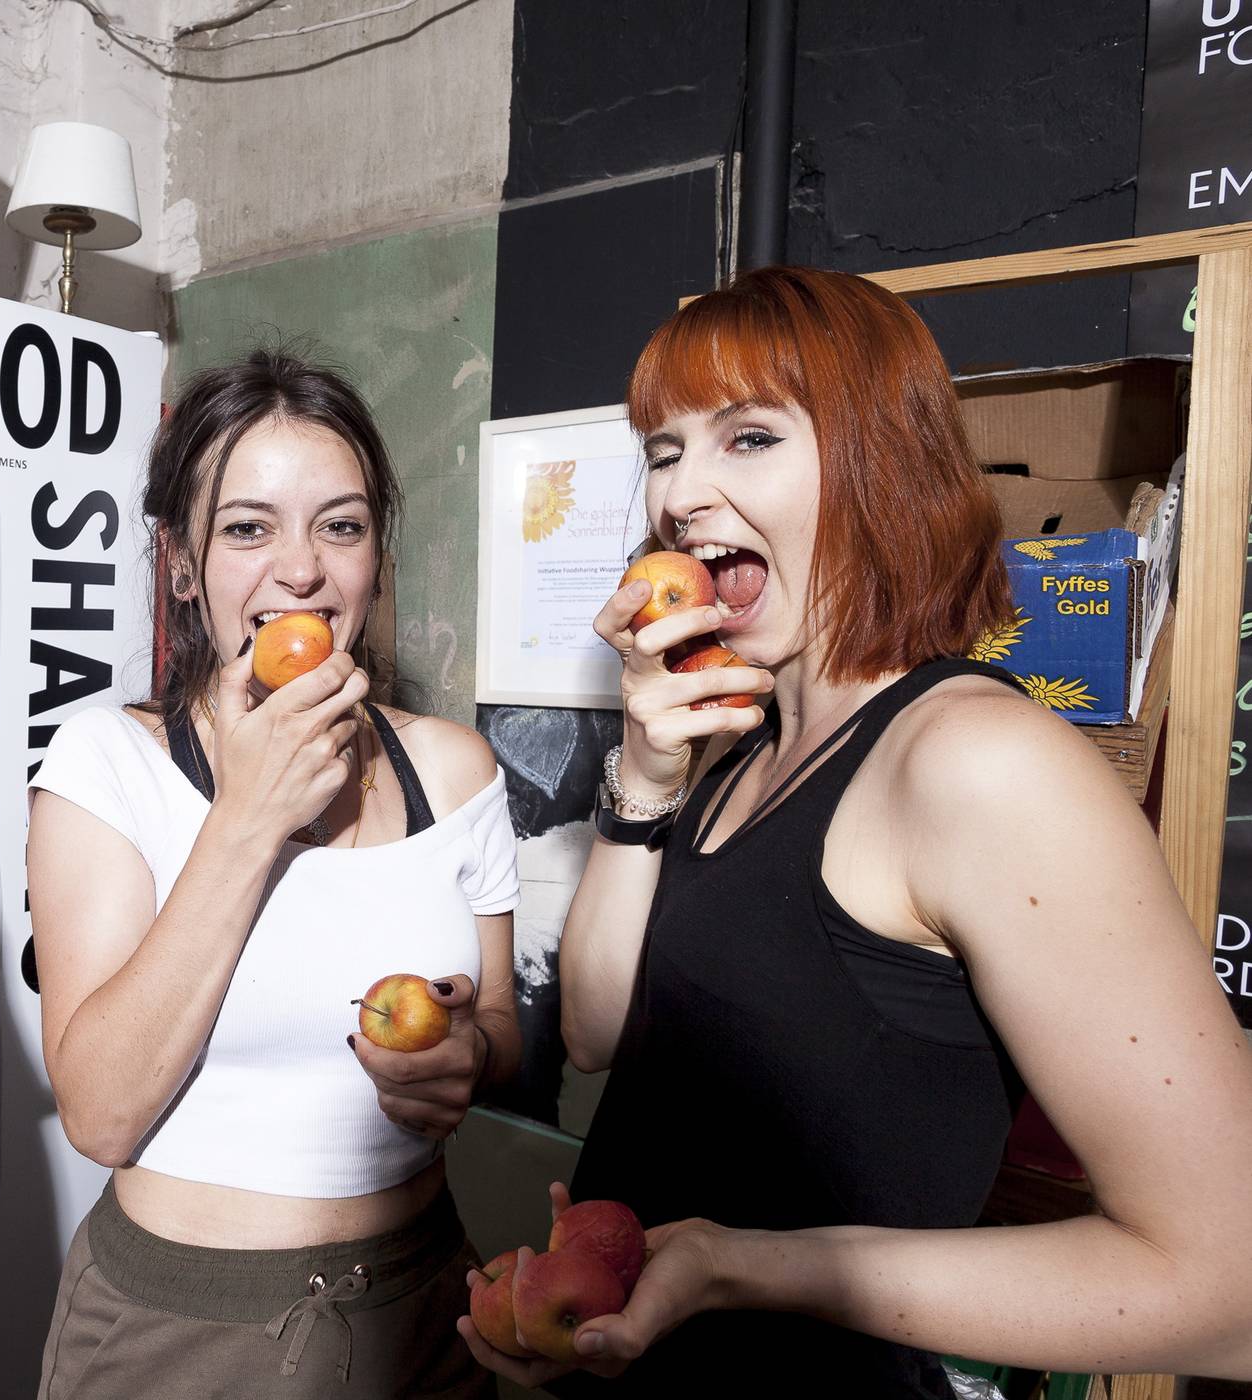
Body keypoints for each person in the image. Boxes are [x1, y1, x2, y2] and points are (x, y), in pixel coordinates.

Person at [459, 266, 1252, 1394]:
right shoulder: (742, 755)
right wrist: (642, 776)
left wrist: (749, 1269)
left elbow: (1232, 1287)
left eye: (748, 437)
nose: (681, 494)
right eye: (664, 448)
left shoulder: (978, 764)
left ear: (884, 458)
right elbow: (592, 1030)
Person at [26, 348, 522, 1398]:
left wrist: (464, 1050)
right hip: (177, 1332)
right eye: (248, 527)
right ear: (182, 562)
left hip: (423, 1308)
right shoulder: (107, 764)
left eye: (339, 525)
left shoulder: (453, 768)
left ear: (376, 558)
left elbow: (505, 1046)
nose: (300, 569)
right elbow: (103, 1112)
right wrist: (248, 819)